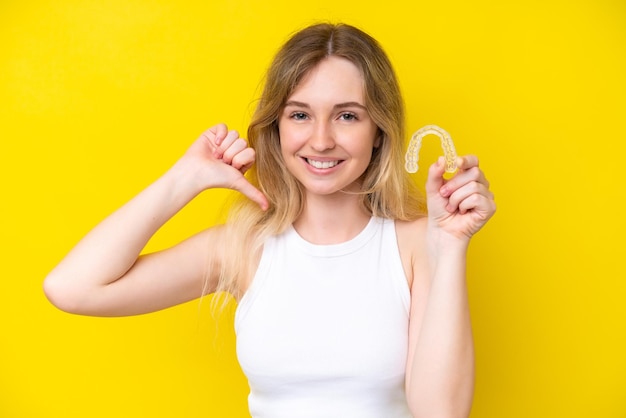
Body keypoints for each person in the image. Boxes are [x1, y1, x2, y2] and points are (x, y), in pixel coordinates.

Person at [44, 22, 496, 418]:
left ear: (379, 132)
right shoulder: (242, 247)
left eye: (347, 116)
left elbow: (442, 412)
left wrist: (451, 247)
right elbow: (72, 288)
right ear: (276, 129)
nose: (321, 140)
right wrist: (185, 178)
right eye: (300, 114)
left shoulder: (420, 244)